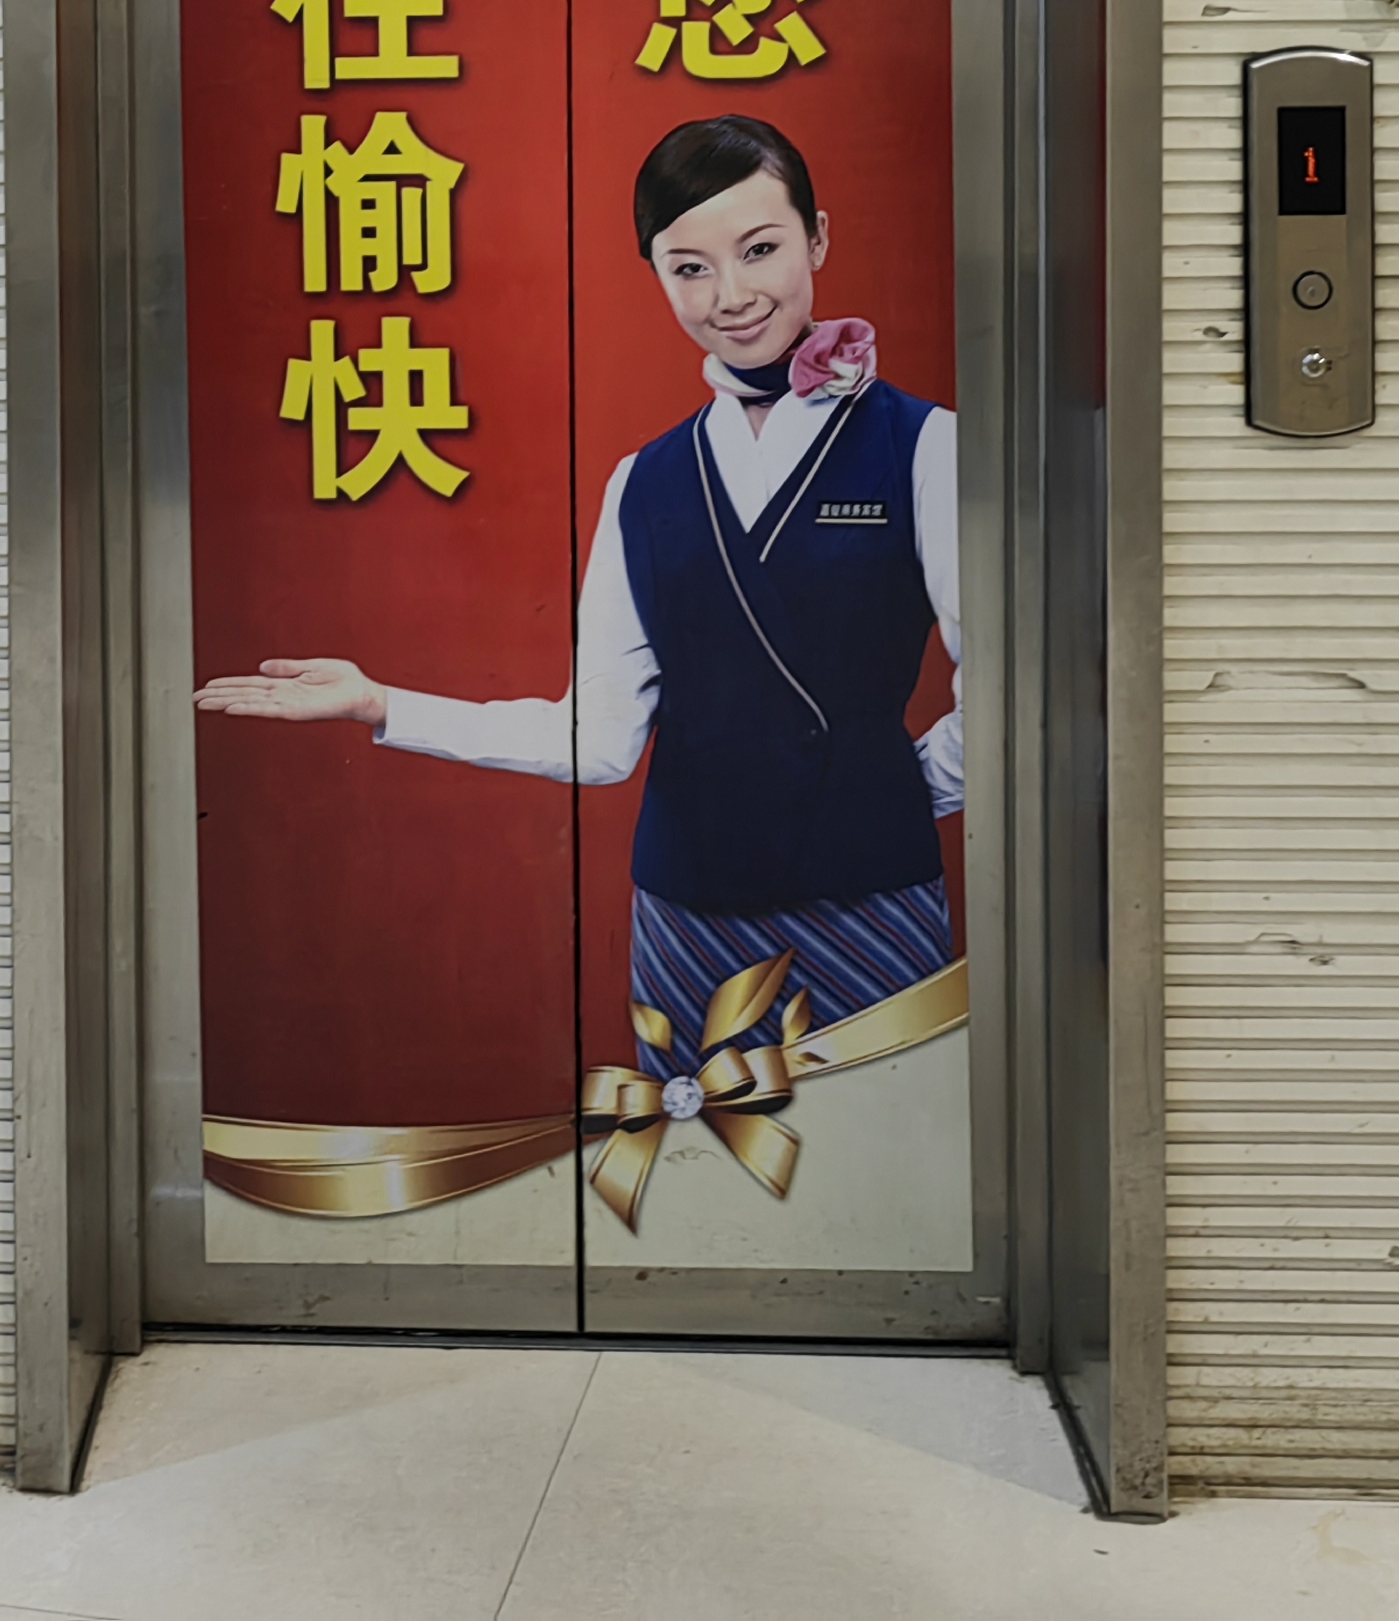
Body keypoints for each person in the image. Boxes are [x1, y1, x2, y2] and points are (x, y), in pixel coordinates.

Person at [197, 113, 959, 1081]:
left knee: (888, 1157)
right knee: (706, 1167)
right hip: (689, 921)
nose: (730, 296)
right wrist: (383, 704)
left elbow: (1011, 696)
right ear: (656, 275)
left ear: (817, 238)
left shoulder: (925, 445)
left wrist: (888, 793)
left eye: (759, 250)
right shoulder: (643, 482)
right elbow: (598, 742)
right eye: (688, 268)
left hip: (871, 907)